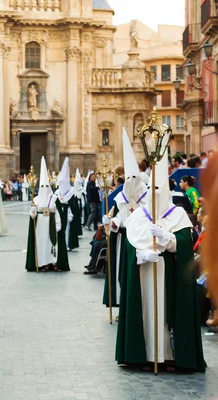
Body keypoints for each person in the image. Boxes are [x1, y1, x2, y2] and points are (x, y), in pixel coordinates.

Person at [116, 154, 206, 372]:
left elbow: (185, 244)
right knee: (145, 313)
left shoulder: (177, 215)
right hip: (144, 274)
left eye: (158, 190)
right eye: (151, 190)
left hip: (169, 277)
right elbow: (129, 248)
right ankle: (144, 355)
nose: (154, 195)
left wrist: (167, 238)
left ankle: (169, 355)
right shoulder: (138, 216)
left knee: (166, 316)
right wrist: (141, 255)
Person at [101, 131, 147, 308]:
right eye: (129, 178)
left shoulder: (145, 195)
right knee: (121, 272)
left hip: (140, 241)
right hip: (123, 240)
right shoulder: (122, 196)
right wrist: (111, 222)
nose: (131, 182)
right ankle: (121, 303)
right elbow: (119, 217)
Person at [25, 156, 69, 272]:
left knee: (52, 245)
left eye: (46, 186)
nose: (44, 188)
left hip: (52, 225)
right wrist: (33, 212)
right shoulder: (36, 199)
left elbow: (58, 212)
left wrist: (58, 225)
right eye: (42, 186)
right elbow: (32, 216)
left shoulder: (54, 198)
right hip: (40, 226)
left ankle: (53, 263)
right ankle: (42, 263)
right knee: (42, 245)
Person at [55, 157, 79, 251]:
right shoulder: (57, 193)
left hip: (69, 215)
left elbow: (75, 206)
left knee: (69, 230)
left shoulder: (72, 192)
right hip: (60, 215)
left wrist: (70, 209)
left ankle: (69, 244)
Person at [72, 168, 86, 238]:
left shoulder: (81, 189)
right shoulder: (72, 190)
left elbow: (83, 198)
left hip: (80, 202)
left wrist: (82, 204)